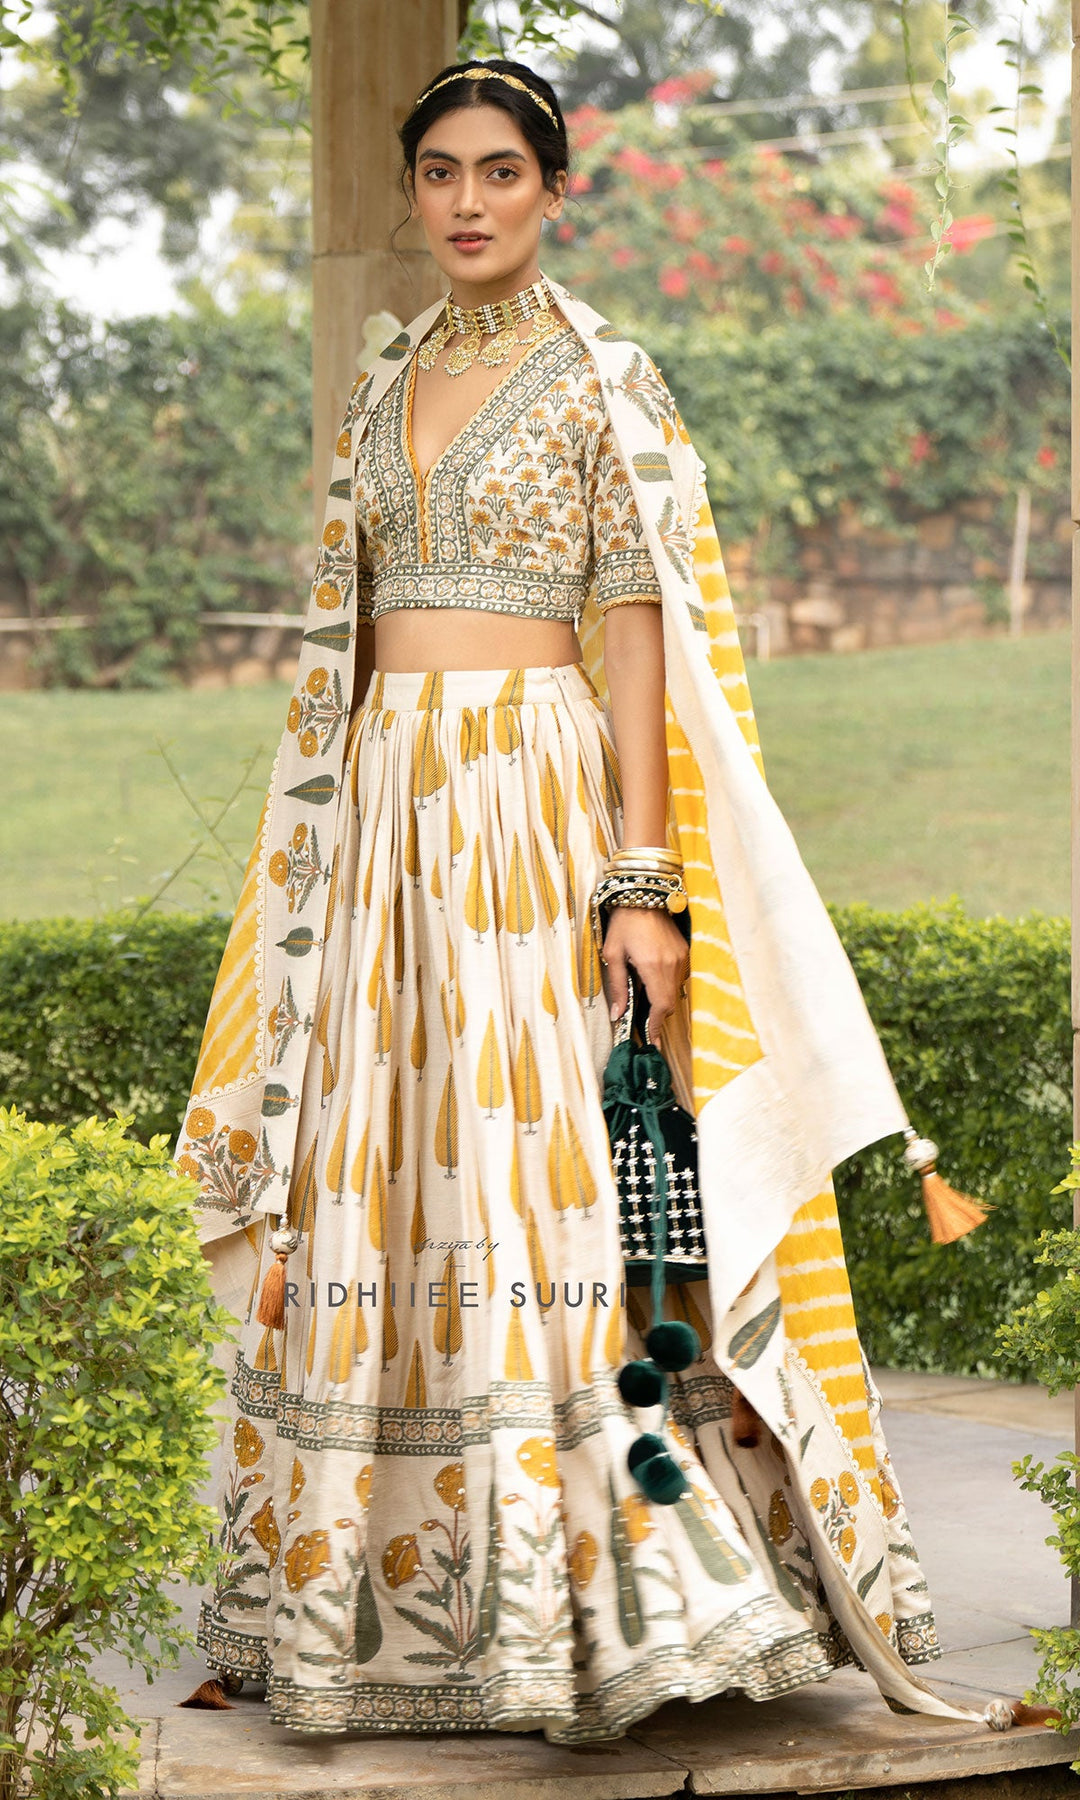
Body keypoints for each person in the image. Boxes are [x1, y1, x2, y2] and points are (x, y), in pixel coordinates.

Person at [177, 57, 1014, 1744]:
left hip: (535, 813)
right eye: (439, 172)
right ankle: (337, 1611)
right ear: (414, 193)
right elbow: (344, 645)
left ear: (555, 189)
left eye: (500, 170)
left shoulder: (602, 378)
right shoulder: (384, 378)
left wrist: (641, 881)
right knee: (377, 1175)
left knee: (543, 1179)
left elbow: (638, 638)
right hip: (387, 824)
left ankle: (600, 1615)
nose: (468, 201)